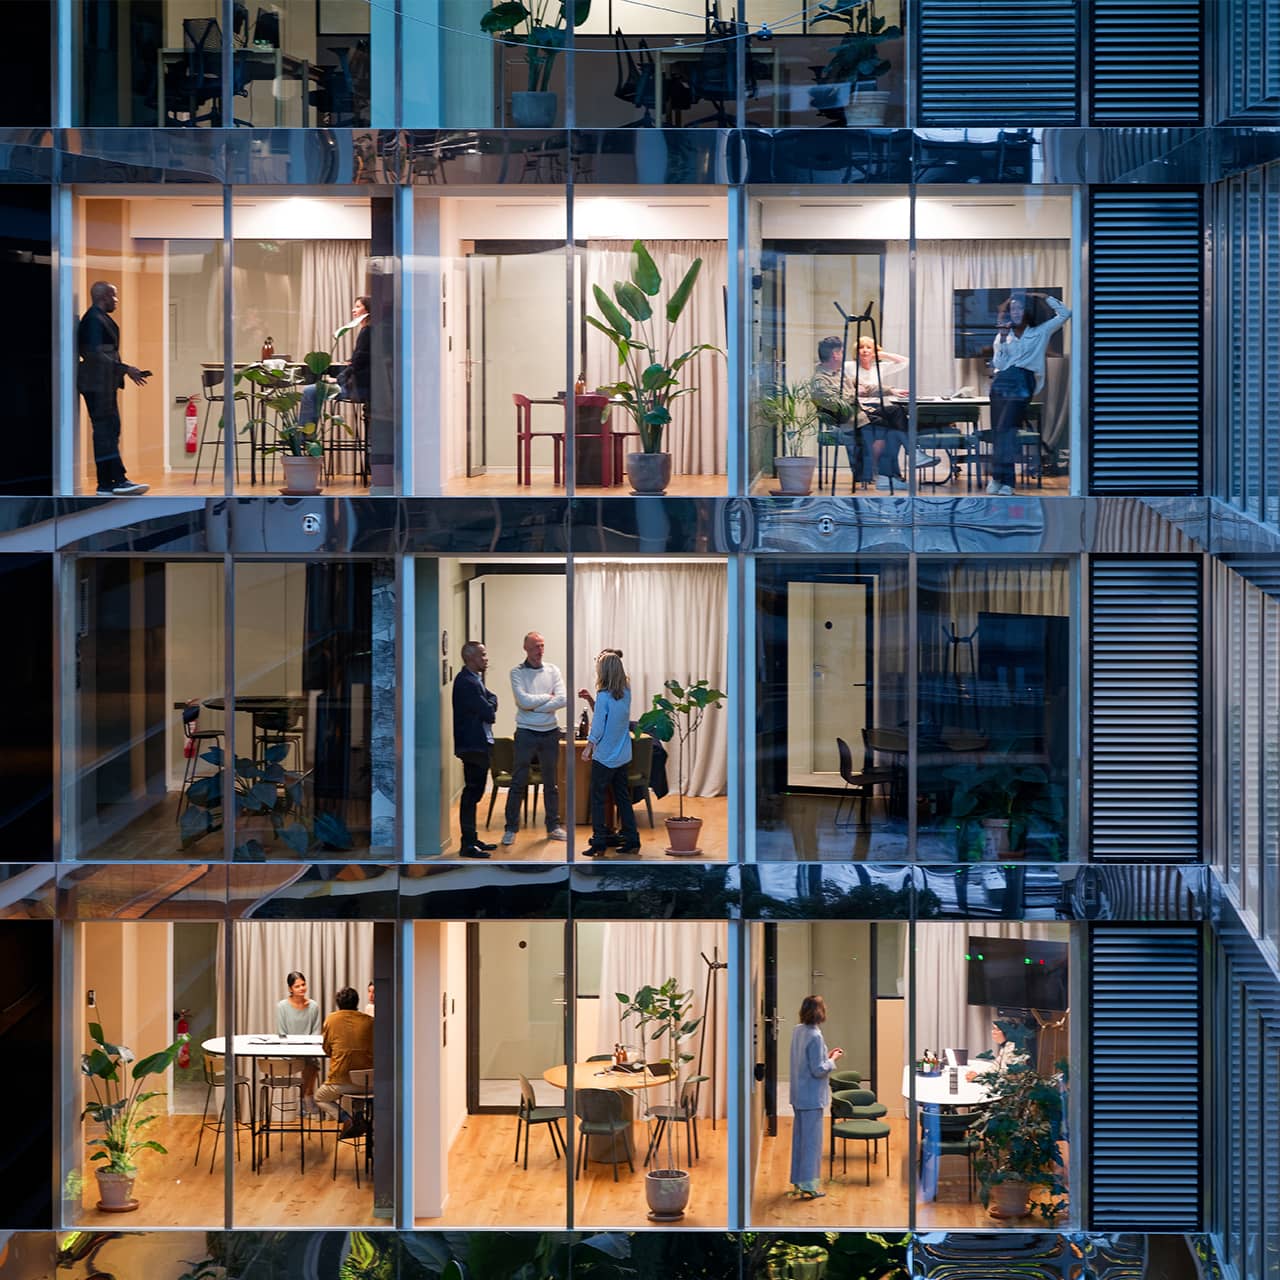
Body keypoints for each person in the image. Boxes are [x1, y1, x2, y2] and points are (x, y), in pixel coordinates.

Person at [987, 290, 1071, 496]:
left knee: (1008, 429)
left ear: (1027, 311)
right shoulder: (1002, 334)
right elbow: (998, 364)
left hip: (1023, 381)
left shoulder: (1040, 331)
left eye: (1020, 308)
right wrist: (1004, 341)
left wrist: (1042, 296)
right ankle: (998, 479)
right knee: (999, 431)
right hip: (1001, 382)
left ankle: (1007, 482)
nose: (1015, 312)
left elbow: (1065, 314)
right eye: (1012, 308)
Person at [77, 281, 150, 496]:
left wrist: (122, 369)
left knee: (110, 430)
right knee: (105, 431)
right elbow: (94, 354)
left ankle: (107, 483)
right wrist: (125, 368)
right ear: (105, 297)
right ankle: (116, 480)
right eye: (114, 296)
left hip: (103, 383)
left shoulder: (97, 319)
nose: (117, 301)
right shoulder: (93, 320)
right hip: (97, 384)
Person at [503, 631, 568, 846]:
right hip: (525, 732)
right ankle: (511, 828)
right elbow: (522, 701)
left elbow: (563, 699)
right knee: (518, 781)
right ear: (526, 649)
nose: (539, 651)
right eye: (534, 647)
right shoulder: (517, 673)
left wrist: (535, 706)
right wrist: (546, 700)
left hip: (550, 732)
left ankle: (553, 826)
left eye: (541, 646)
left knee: (551, 783)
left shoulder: (553, 670)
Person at [579, 651, 641, 858]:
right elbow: (613, 719)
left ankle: (599, 843)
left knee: (597, 799)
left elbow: (598, 725)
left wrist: (589, 746)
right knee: (622, 797)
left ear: (603, 671)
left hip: (605, 756)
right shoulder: (626, 692)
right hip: (622, 754)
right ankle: (632, 839)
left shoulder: (604, 695)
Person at [850, 337, 939, 476]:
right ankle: (911, 456)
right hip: (860, 409)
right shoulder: (850, 367)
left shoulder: (878, 367)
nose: (865, 350)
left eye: (869, 347)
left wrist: (882, 355)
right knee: (897, 413)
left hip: (876, 407)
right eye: (862, 347)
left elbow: (905, 361)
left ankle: (893, 472)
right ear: (857, 351)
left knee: (898, 419)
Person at [788, 994, 843, 1200]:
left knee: (799, 1140)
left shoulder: (798, 1031)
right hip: (812, 1097)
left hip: (798, 1094)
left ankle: (798, 1180)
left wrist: (826, 1057)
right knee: (811, 1143)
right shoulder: (815, 1036)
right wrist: (834, 1059)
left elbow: (807, 1062)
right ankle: (810, 1185)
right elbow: (818, 1070)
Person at [453, 639, 499, 859]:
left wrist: (490, 703)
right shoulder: (467, 683)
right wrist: (490, 704)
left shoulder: (474, 680)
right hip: (473, 745)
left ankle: (472, 839)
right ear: (469, 657)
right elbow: (489, 712)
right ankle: (467, 843)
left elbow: (492, 699)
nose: (486, 658)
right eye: (482, 654)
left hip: (477, 743)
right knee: (472, 793)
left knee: (475, 792)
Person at [300, 297, 371, 425]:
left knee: (310, 391)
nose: (353, 310)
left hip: (359, 388)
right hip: (366, 387)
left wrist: (337, 379)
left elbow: (358, 364)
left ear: (368, 310)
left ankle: (304, 437)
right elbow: (362, 358)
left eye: (358, 306)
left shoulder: (367, 331)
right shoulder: (373, 331)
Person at [314, 986, 375, 1137]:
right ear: (357, 1003)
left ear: (338, 1004)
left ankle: (347, 1119)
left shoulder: (331, 1019)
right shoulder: (370, 1021)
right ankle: (360, 1118)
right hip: (368, 1082)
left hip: (340, 1082)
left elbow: (327, 1049)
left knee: (319, 1097)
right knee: (361, 1085)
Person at [276, 970, 322, 1113]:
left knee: (312, 1064)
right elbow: (281, 1032)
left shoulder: (313, 1006)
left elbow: (316, 1032)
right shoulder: (282, 1006)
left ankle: (304, 1098)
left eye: (303, 984)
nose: (302, 988)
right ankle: (307, 1097)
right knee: (309, 1062)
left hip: (308, 1051)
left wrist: (307, 1047)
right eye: (297, 986)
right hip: (289, 1051)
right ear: (290, 989)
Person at [966, 1017, 1031, 1081]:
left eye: (996, 1029)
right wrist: (979, 1075)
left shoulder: (1014, 1048)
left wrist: (980, 1078)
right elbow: (996, 1067)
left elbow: (1007, 1076)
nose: (993, 1032)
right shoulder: (1006, 1045)